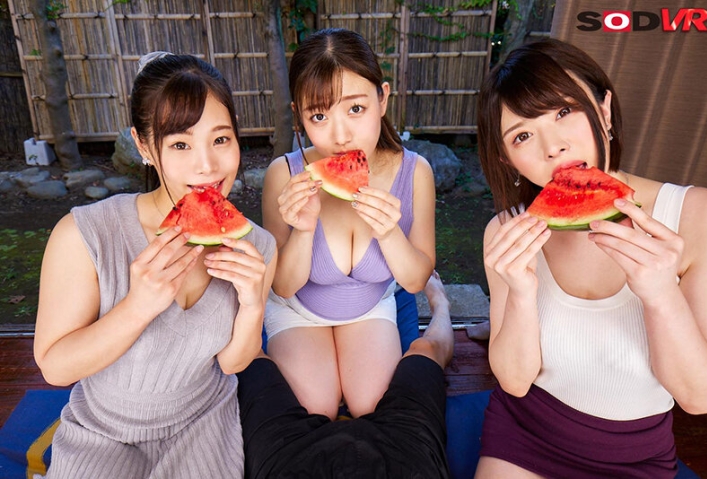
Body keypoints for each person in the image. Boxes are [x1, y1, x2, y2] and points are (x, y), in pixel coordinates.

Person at [473, 38, 707, 478]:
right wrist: (522, 294)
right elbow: (514, 381)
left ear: (604, 110)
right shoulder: (507, 232)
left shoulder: (699, 216)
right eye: (522, 135)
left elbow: (700, 399)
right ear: (508, 160)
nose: (553, 147)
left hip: (635, 455)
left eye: (564, 111)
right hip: (524, 433)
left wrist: (662, 295)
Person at [34, 53, 277, 478]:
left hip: (202, 425)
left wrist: (253, 305)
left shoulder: (258, 246)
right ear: (144, 145)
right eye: (181, 144)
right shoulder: (83, 234)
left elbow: (232, 364)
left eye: (221, 139)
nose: (207, 165)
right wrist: (138, 306)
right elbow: (55, 368)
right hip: (101, 431)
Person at [261, 28, 436, 419]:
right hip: (296, 310)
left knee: (371, 406)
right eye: (319, 116)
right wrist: (304, 228)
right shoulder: (283, 174)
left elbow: (414, 281)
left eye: (355, 109)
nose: (340, 136)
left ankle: (440, 313)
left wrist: (389, 232)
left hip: (370, 308)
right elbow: (283, 285)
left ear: (382, 98)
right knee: (315, 409)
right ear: (299, 116)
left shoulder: (416, 172)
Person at [237, 271, 453, 479]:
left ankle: (269, 295)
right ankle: (440, 304)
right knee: (426, 351)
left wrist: (250, 304)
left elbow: (245, 359)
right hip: (401, 456)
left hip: (293, 458)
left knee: (252, 363)